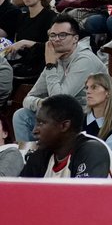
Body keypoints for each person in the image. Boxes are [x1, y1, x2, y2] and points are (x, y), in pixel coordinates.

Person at [13, 15, 106, 143]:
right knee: (22, 115)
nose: (56, 39)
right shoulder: (56, 57)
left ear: (75, 38)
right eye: (53, 35)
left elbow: (59, 101)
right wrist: (41, 103)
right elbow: (28, 99)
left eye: (62, 35)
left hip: (86, 117)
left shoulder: (85, 60)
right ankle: (28, 154)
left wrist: (51, 66)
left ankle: (43, 153)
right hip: (61, 115)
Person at [83, 71, 112, 154]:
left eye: (94, 87)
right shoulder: (78, 119)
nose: (88, 91)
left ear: (108, 92)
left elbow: (104, 154)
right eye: (87, 88)